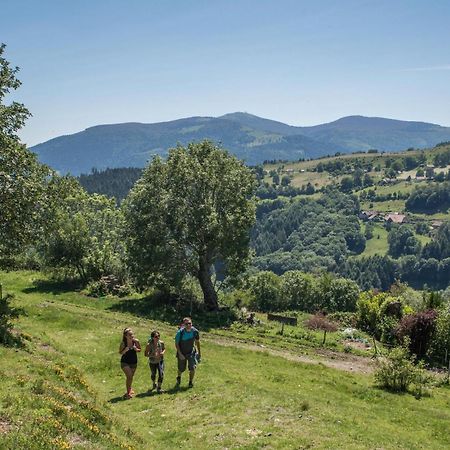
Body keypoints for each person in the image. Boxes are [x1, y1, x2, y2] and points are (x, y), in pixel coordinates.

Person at [175, 317, 201, 388]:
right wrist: (180, 354)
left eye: (190, 323)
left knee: (192, 368)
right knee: (181, 369)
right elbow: (177, 344)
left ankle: (190, 382)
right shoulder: (180, 333)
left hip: (191, 353)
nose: (188, 325)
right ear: (183, 325)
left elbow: (197, 342)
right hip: (182, 353)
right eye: (186, 324)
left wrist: (199, 353)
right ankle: (179, 377)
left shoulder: (195, 331)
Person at [119, 327, 141, 399]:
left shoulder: (136, 341)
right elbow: (120, 352)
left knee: (130, 378)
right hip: (125, 362)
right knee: (129, 376)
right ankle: (128, 394)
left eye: (132, 334)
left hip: (134, 362)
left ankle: (129, 389)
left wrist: (136, 349)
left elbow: (139, 350)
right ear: (126, 336)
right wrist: (125, 350)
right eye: (130, 334)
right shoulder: (123, 343)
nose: (132, 336)